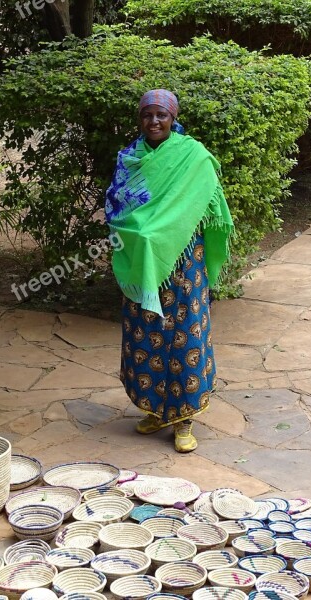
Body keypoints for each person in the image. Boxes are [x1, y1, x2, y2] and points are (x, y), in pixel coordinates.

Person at [105, 89, 234, 453]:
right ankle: (156, 410)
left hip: (183, 265)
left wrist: (164, 232)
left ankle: (183, 419)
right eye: (147, 115)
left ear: (172, 118)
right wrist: (140, 235)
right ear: (140, 119)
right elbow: (118, 211)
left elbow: (210, 202)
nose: (154, 121)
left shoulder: (192, 156)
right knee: (146, 335)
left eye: (161, 115)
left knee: (183, 336)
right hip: (144, 266)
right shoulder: (130, 160)